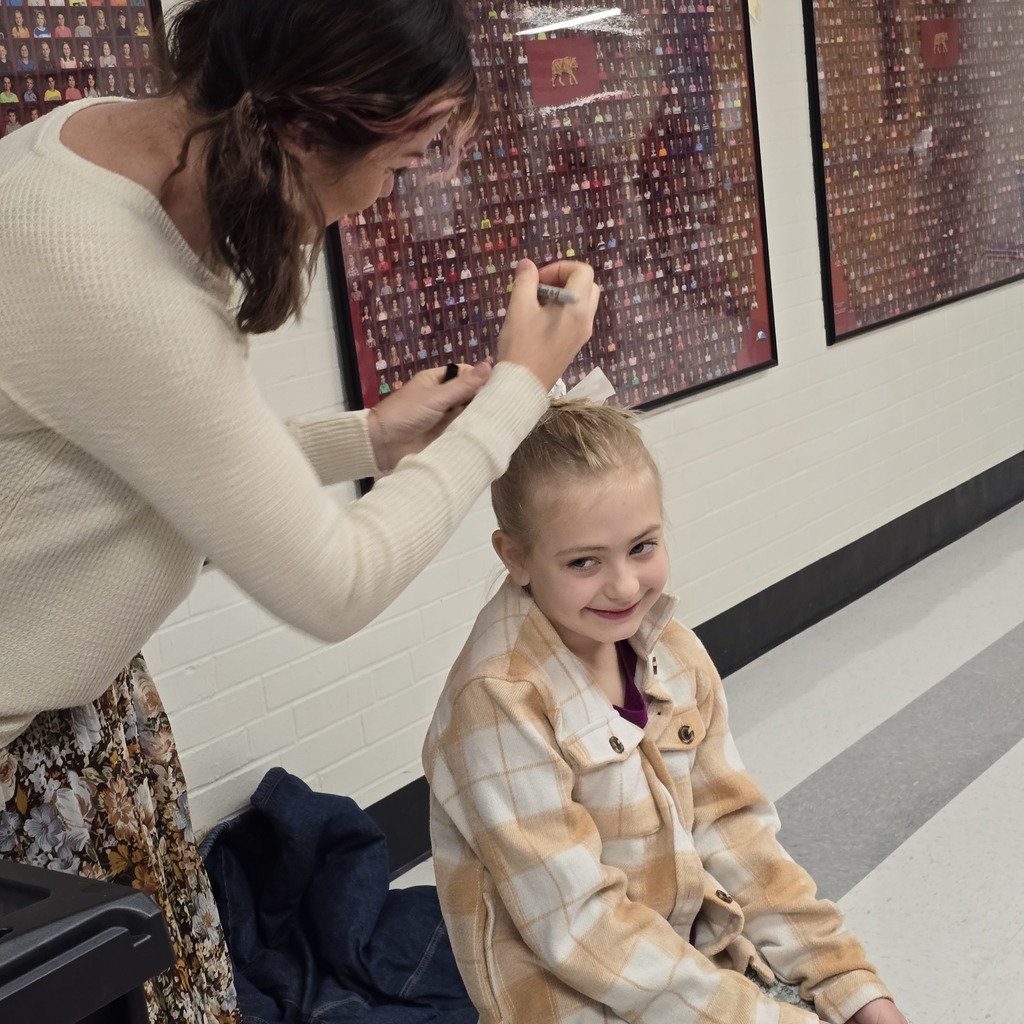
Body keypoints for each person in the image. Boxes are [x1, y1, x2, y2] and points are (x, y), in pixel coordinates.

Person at [0, 0, 599, 1021]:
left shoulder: (96, 143)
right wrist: (517, 390)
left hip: (79, 717)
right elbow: (337, 580)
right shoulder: (114, 273)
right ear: (312, 123)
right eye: (402, 162)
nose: (375, 201)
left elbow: (153, 462)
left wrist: (367, 437)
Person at [423, 399, 911, 1024]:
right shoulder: (497, 700)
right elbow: (582, 930)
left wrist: (852, 985)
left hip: (686, 969)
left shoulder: (673, 651)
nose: (625, 587)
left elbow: (734, 831)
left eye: (643, 546)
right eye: (583, 562)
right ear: (514, 555)